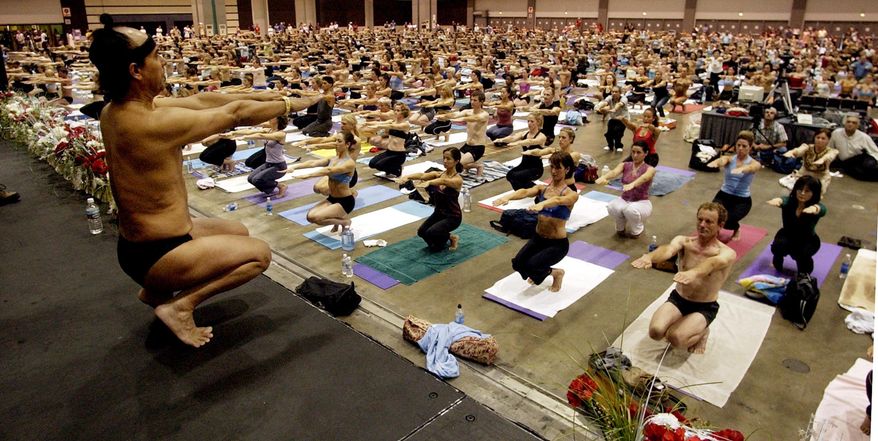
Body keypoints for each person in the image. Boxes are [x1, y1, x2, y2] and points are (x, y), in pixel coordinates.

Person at [89, 14, 320, 347]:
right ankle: (181, 306)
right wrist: (290, 103)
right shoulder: (149, 125)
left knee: (238, 231)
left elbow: (203, 100)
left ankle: (154, 292)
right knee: (259, 254)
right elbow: (234, 114)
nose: (163, 62)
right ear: (135, 71)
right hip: (156, 254)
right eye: (155, 57)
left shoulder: (117, 110)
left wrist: (267, 95)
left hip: (145, 242)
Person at [631, 202, 736, 353]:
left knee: (675, 338)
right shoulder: (684, 241)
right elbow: (667, 250)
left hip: (704, 306)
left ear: (720, 225)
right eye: (700, 219)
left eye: (709, 221)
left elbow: (712, 263)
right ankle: (685, 322)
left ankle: (703, 332)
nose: (702, 224)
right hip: (679, 299)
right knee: (656, 332)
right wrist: (650, 257)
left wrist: (693, 273)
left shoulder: (726, 253)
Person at [493, 152, 579, 292]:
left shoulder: (570, 194)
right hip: (538, 239)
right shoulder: (542, 188)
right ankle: (541, 271)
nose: (553, 171)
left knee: (533, 265)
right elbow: (525, 192)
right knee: (518, 264)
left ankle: (557, 273)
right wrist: (508, 197)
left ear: (567, 170)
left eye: (558, 168)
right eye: (552, 167)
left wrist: (543, 204)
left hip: (557, 244)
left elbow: (557, 200)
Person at [285, 132, 358, 231]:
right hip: (332, 198)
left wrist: (308, 175)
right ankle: (338, 220)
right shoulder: (333, 159)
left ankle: (345, 222)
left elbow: (329, 170)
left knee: (317, 218)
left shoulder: (349, 163)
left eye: (339, 141)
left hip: (345, 201)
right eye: (335, 140)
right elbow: (313, 163)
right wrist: (294, 167)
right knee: (310, 217)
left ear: (347, 144)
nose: (336, 143)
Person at [396, 147, 464, 252]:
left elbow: (444, 181)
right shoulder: (439, 173)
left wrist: (430, 182)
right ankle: (449, 237)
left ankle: (450, 239)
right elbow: (422, 175)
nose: (445, 161)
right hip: (439, 213)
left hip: (453, 217)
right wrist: (407, 177)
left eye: (448, 159)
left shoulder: (457, 180)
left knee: (432, 234)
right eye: (444, 158)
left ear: (456, 161)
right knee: (422, 232)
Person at [766, 176, 826, 274]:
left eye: (807, 191)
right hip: (787, 235)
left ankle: (805, 270)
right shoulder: (789, 201)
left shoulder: (815, 206)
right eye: (800, 189)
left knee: (803, 263)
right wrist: (777, 200)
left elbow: (822, 209)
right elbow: (783, 200)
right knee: (777, 247)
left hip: (807, 240)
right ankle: (776, 262)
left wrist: (815, 209)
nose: (802, 193)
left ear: (814, 193)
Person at [708, 131, 761, 241]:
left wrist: (742, 169)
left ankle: (736, 228)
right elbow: (723, 160)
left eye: (744, 146)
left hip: (742, 200)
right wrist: (717, 162)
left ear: (750, 147)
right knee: (713, 214)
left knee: (727, 221)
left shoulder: (754, 163)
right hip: (724, 195)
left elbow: (752, 168)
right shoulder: (730, 159)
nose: (740, 148)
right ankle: (716, 230)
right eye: (738, 145)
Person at [596, 141, 656, 238]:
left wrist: (633, 184)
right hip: (624, 199)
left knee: (630, 210)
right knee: (611, 207)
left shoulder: (650, 169)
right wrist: (604, 177)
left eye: (638, 152)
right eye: (633, 152)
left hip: (641, 202)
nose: (635, 155)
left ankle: (637, 228)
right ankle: (620, 226)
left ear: (646, 153)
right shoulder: (625, 165)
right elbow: (614, 172)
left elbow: (645, 177)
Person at [218, 116, 289, 197]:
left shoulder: (281, 134)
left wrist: (245, 137)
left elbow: (261, 135)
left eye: (273, 117)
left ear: (278, 120)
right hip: (268, 163)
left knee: (257, 179)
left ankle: (281, 186)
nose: (270, 118)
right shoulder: (269, 130)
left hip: (279, 166)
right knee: (250, 178)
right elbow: (250, 131)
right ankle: (270, 186)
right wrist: (233, 133)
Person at [434, 91, 489, 176]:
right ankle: (477, 166)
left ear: (481, 102)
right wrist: (445, 116)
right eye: (471, 100)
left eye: (475, 100)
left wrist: (460, 119)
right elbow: (456, 114)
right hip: (467, 146)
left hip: (478, 148)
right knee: (453, 161)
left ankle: (477, 166)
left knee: (456, 166)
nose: (472, 102)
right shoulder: (468, 111)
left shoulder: (485, 115)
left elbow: (474, 118)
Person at [495, 113, 547, 190]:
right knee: (510, 175)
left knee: (517, 176)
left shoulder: (541, 137)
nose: (529, 123)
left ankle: (537, 190)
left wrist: (517, 143)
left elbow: (530, 141)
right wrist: (501, 140)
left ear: (538, 122)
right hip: (524, 165)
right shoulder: (524, 133)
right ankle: (525, 191)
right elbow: (512, 138)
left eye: (532, 121)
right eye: (528, 121)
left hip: (535, 169)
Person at [783, 128, 838, 195]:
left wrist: (822, 159)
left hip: (821, 175)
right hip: (805, 173)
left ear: (828, 140)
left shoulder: (832, 151)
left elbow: (830, 156)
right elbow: (799, 150)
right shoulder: (807, 147)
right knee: (798, 192)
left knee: (818, 193)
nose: (820, 140)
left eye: (823, 138)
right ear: (814, 138)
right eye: (818, 137)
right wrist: (792, 152)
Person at [365, 102, 411, 178]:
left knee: (379, 165)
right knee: (372, 164)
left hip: (399, 154)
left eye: (398, 110)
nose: (396, 112)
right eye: (395, 110)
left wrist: (378, 126)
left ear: (403, 112)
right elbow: (382, 122)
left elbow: (391, 126)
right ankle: (388, 169)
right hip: (389, 151)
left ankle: (397, 169)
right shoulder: (392, 121)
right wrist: (367, 124)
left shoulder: (405, 125)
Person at [828, 113, 878, 181]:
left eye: (854, 123)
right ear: (844, 123)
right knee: (858, 175)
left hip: (861, 159)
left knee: (869, 165)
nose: (850, 124)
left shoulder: (864, 137)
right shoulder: (836, 133)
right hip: (846, 162)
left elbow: (875, 152)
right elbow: (830, 149)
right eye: (848, 122)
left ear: (857, 126)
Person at [595, 87, 629, 152]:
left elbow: (619, 104)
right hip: (613, 118)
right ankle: (610, 145)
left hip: (622, 119)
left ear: (620, 93)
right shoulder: (609, 97)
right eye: (613, 92)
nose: (614, 93)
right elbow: (605, 102)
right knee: (608, 134)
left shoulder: (624, 98)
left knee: (618, 133)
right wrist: (599, 107)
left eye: (616, 92)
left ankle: (618, 146)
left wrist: (615, 109)